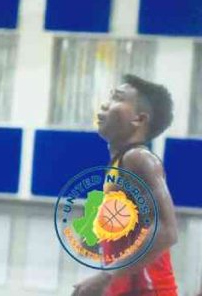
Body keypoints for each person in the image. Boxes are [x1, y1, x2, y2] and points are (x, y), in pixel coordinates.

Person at [72, 75, 179, 296]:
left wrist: (106, 275)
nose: (104, 105)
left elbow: (168, 231)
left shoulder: (139, 159)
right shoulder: (118, 165)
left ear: (139, 119)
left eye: (117, 99)